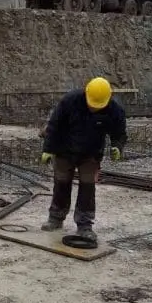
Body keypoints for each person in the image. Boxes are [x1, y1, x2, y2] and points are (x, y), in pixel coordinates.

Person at [40, 77, 127, 242]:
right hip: (64, 149)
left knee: (88, 187)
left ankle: (85, 225)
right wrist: (48, 149)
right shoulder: (70, 101)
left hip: (91, 153)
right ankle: (56, 218)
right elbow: (54, 125)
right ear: (86, 93)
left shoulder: (114, 110)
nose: (94, 108)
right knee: (61, 183)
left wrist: (117, 146)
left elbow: (119, 132)